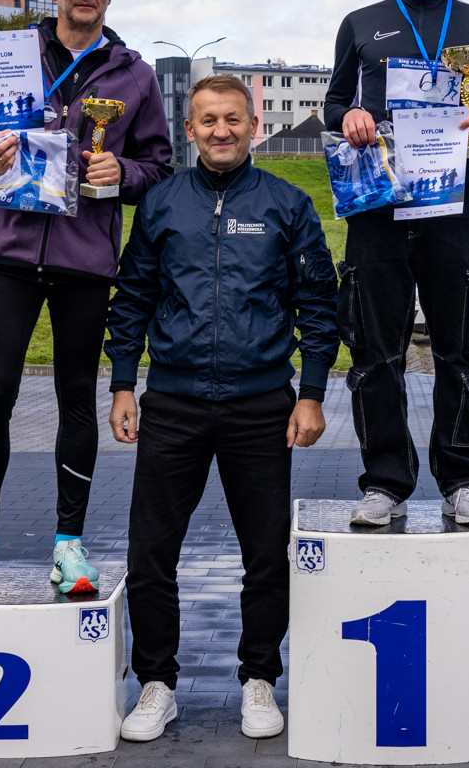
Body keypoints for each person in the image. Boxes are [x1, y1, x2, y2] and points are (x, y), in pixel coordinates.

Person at [104, 74, 339, 741]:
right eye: (208, 120)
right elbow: (133, 297)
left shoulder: (287, 204)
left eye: (233, 119)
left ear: (254, 125)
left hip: (260, 405)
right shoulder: (161, 202)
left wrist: (312, 393)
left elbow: (319, 304)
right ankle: (156, 685)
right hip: (172, 403)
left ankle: (259, 679)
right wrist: (122, 383)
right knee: (151, 555)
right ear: (190, 129)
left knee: (265, 556)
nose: (221, 131)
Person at [0, 0, 173, 598]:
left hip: (84, 261)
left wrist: (122, 171)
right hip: (10, 254)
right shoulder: (8, 56)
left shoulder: (134, 75)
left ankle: (69, 547)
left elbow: (158, 168)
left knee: (77, 401)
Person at [322, 0, 469, 525]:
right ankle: (385, 483)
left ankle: (462, 481)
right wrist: (350, 116)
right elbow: (333, 104)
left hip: (453, 207)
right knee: (376, 354)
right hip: (379, 207)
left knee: (462, 351)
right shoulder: (361, 23)